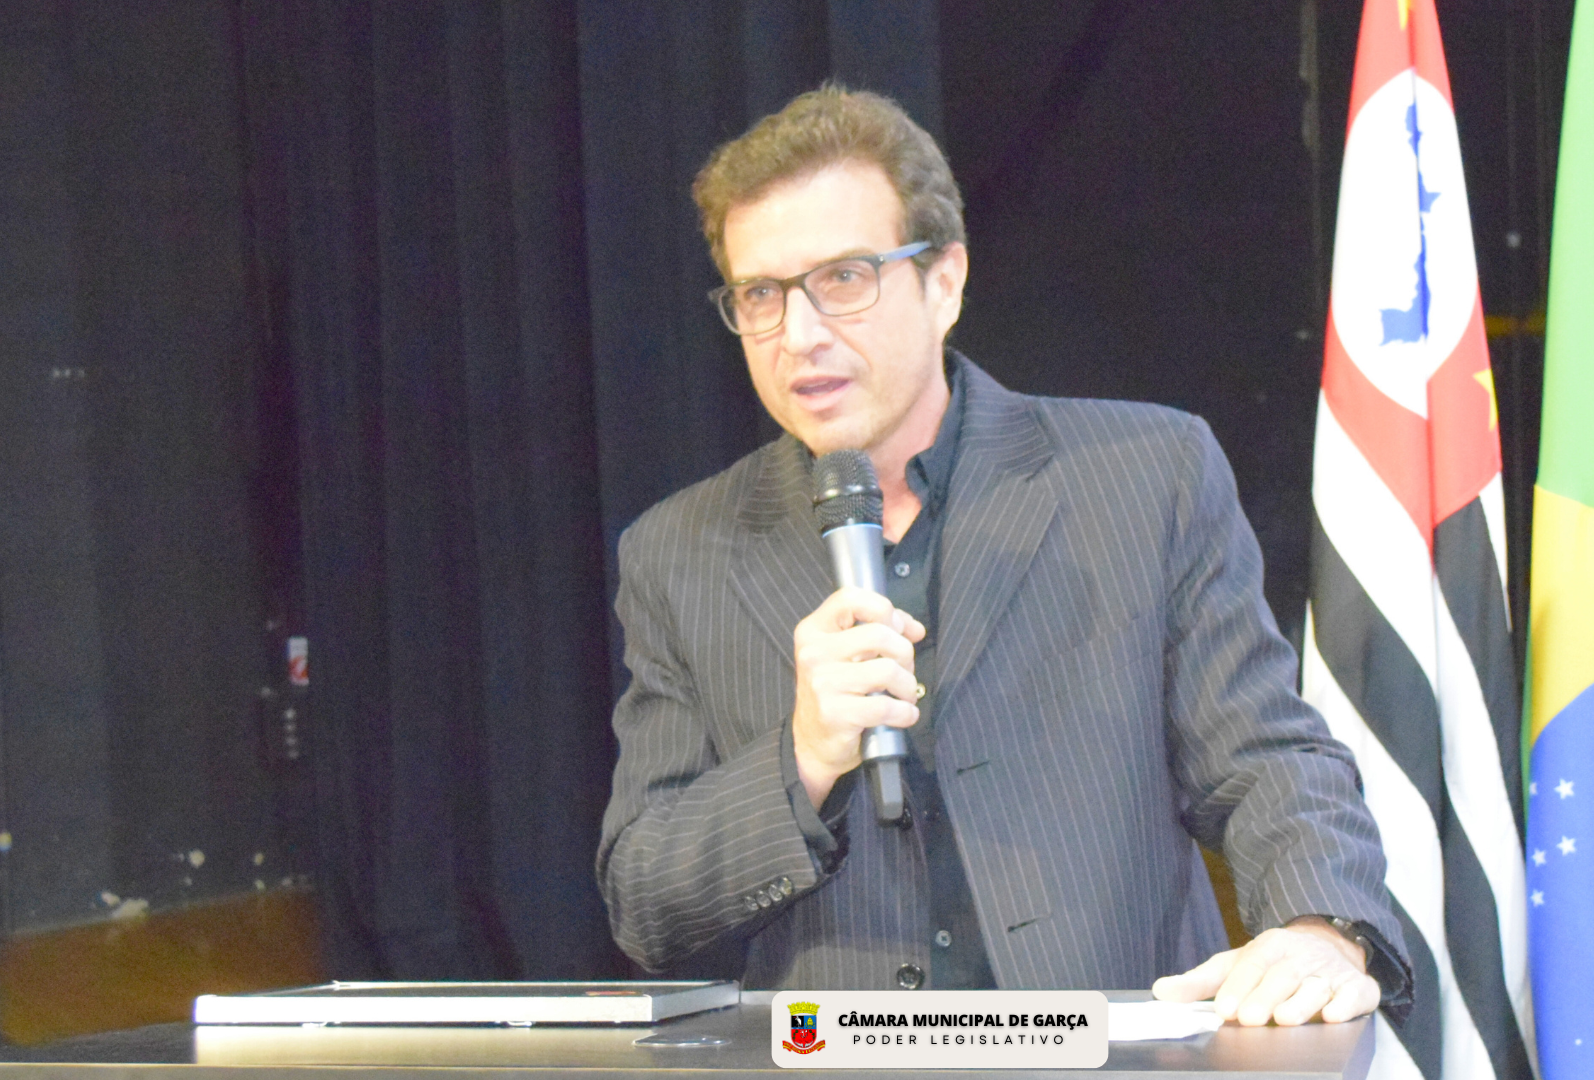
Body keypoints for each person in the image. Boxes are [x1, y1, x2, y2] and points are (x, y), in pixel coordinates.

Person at [596, 86, 1411, 1027]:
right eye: (761, 296)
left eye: (845, 278)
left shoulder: (1147, 476)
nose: (800, 334)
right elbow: (645, 902)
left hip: (1109, 1054)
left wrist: (1318, 929)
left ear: (944, 282)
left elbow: (1263, 758)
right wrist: (805, 756)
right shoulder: (681, 551)